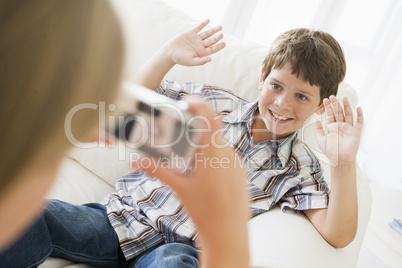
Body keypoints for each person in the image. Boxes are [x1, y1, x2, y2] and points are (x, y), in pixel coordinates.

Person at [0, 1, 250, 268]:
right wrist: (226, 243)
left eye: (301, 96)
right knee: (39, 218)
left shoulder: (297, 163)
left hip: (176, 244)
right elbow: (130, 103)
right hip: (121, 218)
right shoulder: (217, 101)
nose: (283, 104)